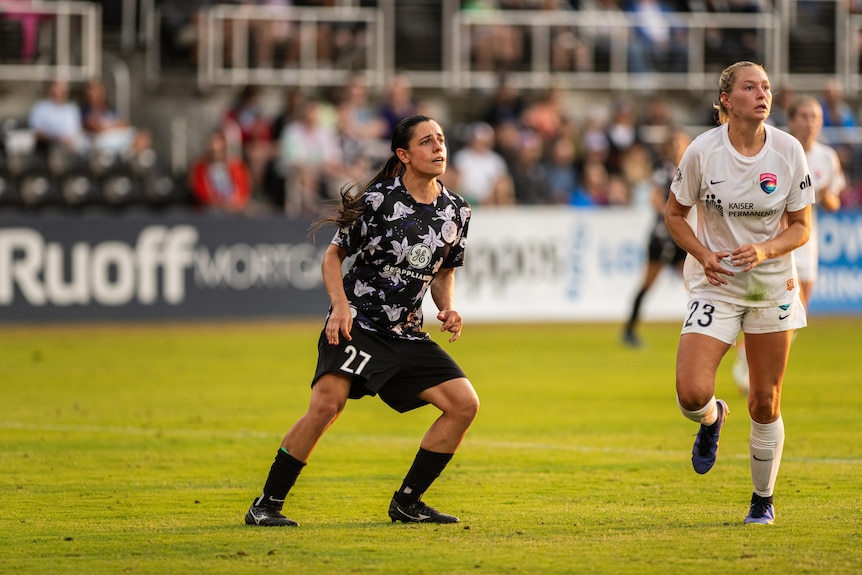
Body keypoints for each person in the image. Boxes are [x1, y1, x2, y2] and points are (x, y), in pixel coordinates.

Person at [244, 115, 479, 527]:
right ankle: (266, 504)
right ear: (403, 155)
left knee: (463, 405)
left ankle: (407, 502)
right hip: (359, 326)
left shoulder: (457, 210)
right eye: (426, 142)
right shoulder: (380, 201)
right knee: (326, 407)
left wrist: (448, 307)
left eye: (441, 139)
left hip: (406, 333)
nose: (438, 147)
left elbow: (443, 272)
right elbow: (334, 255)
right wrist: (340, 306)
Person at [664, 61, 813, 526]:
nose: (762, 94)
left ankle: (762, 500)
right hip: (717, 287)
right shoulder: (702, 152)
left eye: (766, 87)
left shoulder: (788, 151)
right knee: (691, 392)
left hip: (772, 287)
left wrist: (766, 249)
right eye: (750, 87)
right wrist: (704, 254)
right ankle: (712, 419)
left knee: (765, 400)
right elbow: (674, 215)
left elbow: (801, 228)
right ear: (727, 100)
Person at [732, 95, 846, 393]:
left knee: (797, 313)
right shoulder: (777, 150)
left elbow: (835, 200)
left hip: (805, 241)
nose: (811, 123)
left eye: (816, 117)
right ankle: (752, 362)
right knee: (767, 308)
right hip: (774, 242)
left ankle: (749, 356)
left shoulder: (826, 158)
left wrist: (823, 196)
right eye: (805, 116)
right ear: (792, 120)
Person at [622, 128, 691, 347]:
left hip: (682, 234)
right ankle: (629, 330)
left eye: (682, 144)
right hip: (663, 235)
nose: (679, 148)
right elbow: (654, 197)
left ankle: (708, 327)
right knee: (648, 283)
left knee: (695, 282)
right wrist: (671, 215)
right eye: (676, 144)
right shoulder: (664, 170)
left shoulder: (691, 169)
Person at [188, 130, 253, 213]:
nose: (216, 154)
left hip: (236, 206)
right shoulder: (199, 168)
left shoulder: (236, 165)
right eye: (213, 151)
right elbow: (200, 193)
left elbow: (244, 188)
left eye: (219, 150)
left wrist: (236, 203)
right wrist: (219, 203)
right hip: (212, 208)